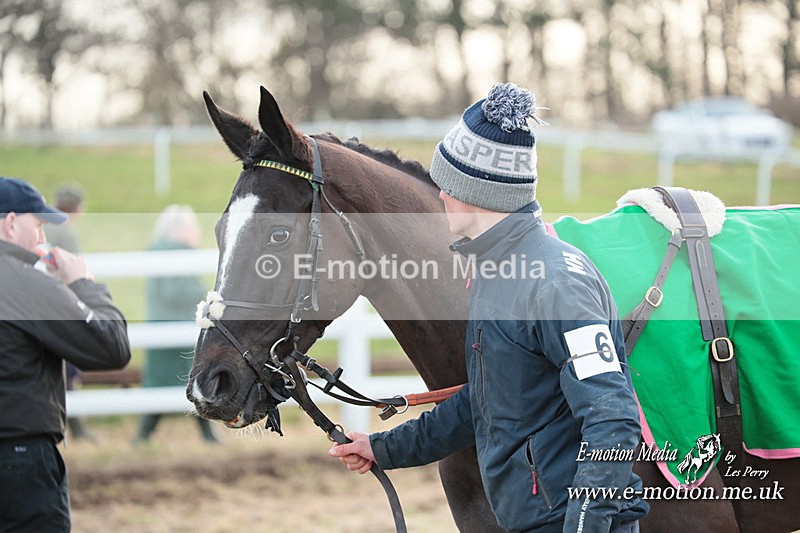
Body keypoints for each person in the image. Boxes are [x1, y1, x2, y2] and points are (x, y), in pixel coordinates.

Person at [329, 84, 649, 532]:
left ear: (480, 191)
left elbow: (612, 419)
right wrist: (383, 448)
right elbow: (482, 402)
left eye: (449, 185)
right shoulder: (494, 274)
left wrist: (585, 526)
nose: (439, 195)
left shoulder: (557, 284)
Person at [0, 177, 131, 531]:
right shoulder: (21, 283)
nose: (42, 239)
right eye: (38, 225)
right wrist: (82, 283)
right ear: (11, 222)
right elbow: (111, 346)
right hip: (18, 458)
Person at [135, 205, 218, 444]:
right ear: (181, 230)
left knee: (162, 383)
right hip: (176, 330)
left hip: (160, 328)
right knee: (192, 379)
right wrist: (206, 292)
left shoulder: (157, 250)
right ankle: (206, 435)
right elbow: (176, 291)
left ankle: (144, 436)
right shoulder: (176, 253)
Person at [46, 185, 96, 442]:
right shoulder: (64, 232)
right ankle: (74, 426)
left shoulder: (41, 225)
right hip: (62, 309)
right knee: (69, 372)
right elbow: (76, 272)